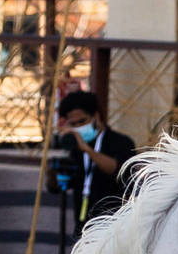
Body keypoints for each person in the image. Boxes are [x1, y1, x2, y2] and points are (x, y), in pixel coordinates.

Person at [55, 90, 136, 226]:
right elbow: (58, 186)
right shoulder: (75, 149)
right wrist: (52, 168)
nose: (78, 128)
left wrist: (87, 150)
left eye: (82, 121)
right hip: (84, 227)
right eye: (73, 124)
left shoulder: (120, 142)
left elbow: (118, 170)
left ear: (96, 117)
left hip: (115, 225)